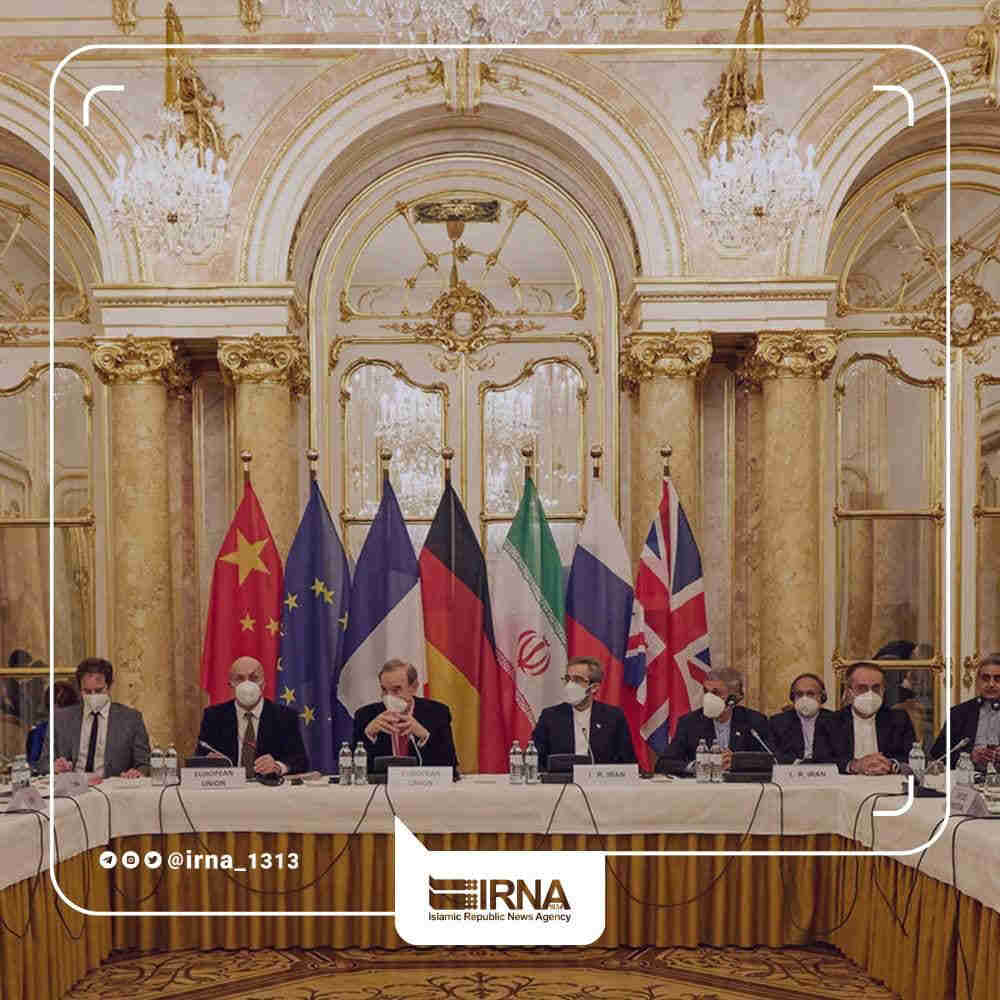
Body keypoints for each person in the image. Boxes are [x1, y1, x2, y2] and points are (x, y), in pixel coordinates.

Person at [198, 656, 309, 776]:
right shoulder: (214, 716)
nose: (247, 684)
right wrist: (209, 762)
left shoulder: (285, 716)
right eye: (239, 679)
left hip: (267, 785)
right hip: (229, 785)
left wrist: (278, 766)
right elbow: (200, 756)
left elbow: (300, 761)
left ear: (263, 684)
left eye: (254, 678)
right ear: (231, 685)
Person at [42, 657, 150, 779]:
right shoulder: (60, 718)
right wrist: (54, 766)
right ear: (80, 689)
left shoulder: (131, 719)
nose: (93, 696)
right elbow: (43, 763)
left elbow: (144, 764)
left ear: (109, 687)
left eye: (98, 691)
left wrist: (136, 773)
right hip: (72, 786)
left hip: (112, 787)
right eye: (87, 692)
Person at [531, 656, 637, 769]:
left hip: (600, 779)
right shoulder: (550, 716)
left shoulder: (613, 717)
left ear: (594, 687)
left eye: (577, 680)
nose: (570, 685)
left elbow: (627, 762)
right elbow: (535, 760)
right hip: (560, 779)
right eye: (568, 679)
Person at [658, 668, 771, 772]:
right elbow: (664, 763)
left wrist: (739, 762)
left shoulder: (754, 721)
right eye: (706, 692)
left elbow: (774, 760)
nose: (708, 698)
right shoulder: (689, 722)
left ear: (733, 699)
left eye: (716, 693)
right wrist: (696, 767)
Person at [353, 658, 458, 769]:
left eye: (396, 689)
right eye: (384, 690)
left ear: (414, 687)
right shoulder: (365, 715)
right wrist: (369, 735)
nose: (389, 696)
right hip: (383, 780)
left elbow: (450, 767)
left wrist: (424, 736)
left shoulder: (437, 713)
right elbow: (353, 769)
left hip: (421, 780)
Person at [827, 663, 915, 774]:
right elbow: (821, 760)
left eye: (876, 688)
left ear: (883, 690)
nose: (870, 694)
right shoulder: (830, 721)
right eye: (862, 688)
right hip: (845, 782)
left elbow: (912, 756)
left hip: (888, 781)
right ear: (849, 691)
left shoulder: (899, 719)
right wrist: (854, 765)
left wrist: (891, 765)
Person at [928, 653, 1000, 769]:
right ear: (977, 681)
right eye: (986, 678)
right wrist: (969, 757)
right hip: (967, 776)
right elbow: (938, 755)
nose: (991, 684)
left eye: (997, 679)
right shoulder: (958, 713)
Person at [768, 672, 836, 764]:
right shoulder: (777, 722)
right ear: (792, 698)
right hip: (791, 770)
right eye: (799, 694)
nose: (805, 699)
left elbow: (840, 755)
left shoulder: (835, 720)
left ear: (822, 697)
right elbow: (773, 754)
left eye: (810, 694)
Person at [26, 681, 79, 766]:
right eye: (59, 705)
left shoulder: (85, 725)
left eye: (66, 705)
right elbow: (34, 765)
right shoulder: (38, 732)